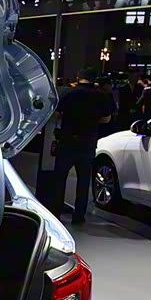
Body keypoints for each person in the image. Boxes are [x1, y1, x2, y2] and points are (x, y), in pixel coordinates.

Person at [49, 67, 113, 225]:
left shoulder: (68, 93)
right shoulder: (102, 95)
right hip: (88, 142)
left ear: (78, 77)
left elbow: (55, 114)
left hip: (67, 141)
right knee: (83, 181)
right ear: (94, 79)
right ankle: (78, 216)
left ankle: (56, 213)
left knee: (59, 180)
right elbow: (106, 119)